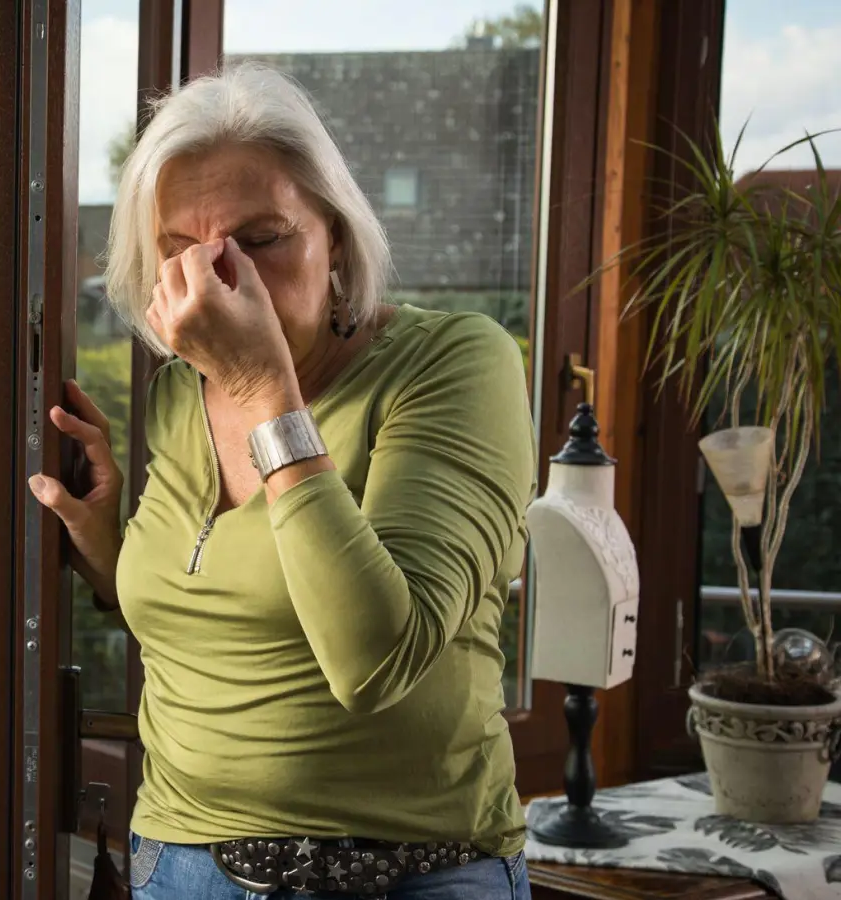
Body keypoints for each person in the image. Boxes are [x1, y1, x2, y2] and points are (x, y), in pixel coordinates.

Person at [29, 63, 538, 900]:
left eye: (260, 239)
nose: (221, 279)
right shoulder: (176, 396)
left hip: (410, 872)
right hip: (182, 865)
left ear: (335, 236)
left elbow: (376, 658)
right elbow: (234, 616)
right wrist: (104, 550)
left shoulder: (455, 363)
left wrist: (267, 393)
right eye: (178, 252)